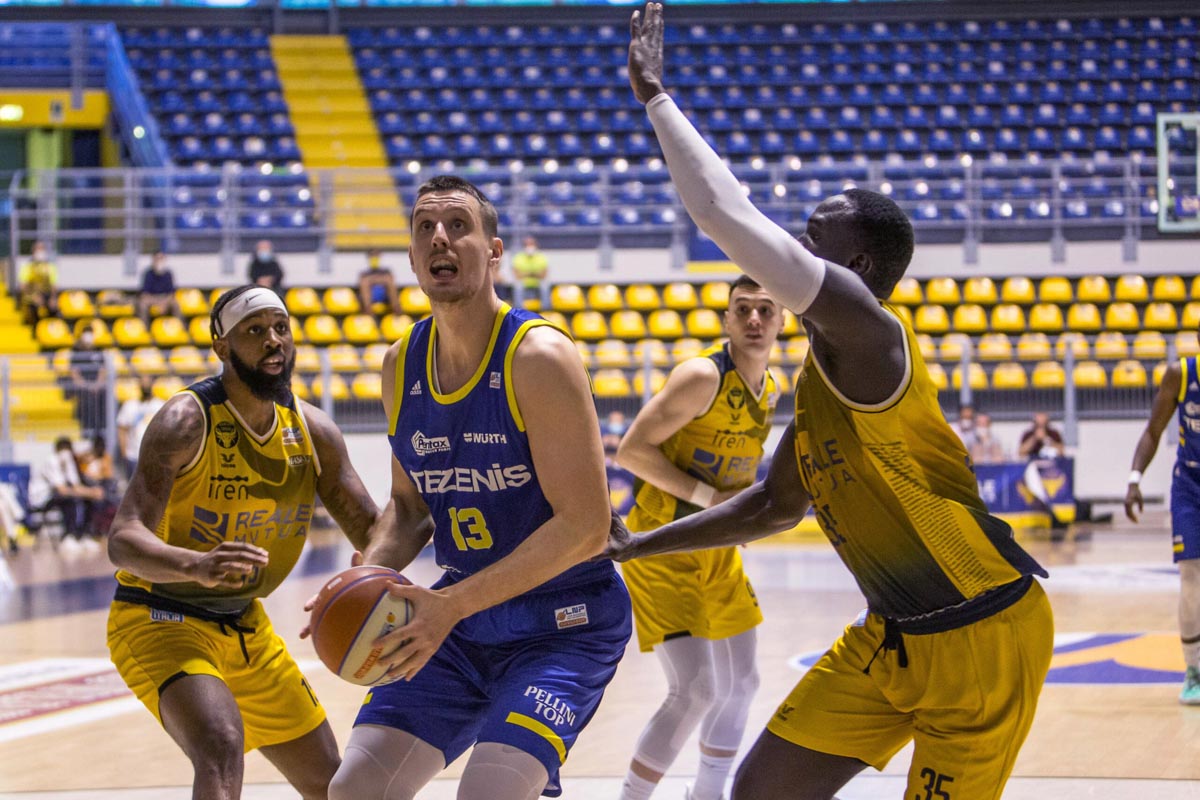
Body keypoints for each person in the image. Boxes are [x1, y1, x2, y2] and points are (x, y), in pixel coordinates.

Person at [612, 7, 1055, 800]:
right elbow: (771, 507)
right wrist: (635, 547)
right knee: (759, 790)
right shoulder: (818, 382)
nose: (794, 252)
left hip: (982, 632)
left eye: (812, 241)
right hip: (889, 636)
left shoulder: (874, 335)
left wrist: (657, 99)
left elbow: (724, 216)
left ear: (858, 268)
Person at [324, 175, 631, 800]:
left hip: (564, 621)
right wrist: (365, 579)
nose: (440, 237)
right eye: (425, 228)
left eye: (458, 225)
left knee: (488, 793)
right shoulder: (401, 363)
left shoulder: (538, 358)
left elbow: (586, 527)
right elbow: (409, 507)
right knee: (354, 789)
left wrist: (451, 607)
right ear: (414, 257)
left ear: (493, 252)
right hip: (460, 619)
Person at [106, 285, 382, 800]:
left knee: (332, 785)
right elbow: (123, 539)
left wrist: (379, 573)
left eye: (281, 328)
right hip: (159, 616)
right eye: (255, 331)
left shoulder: (313, 432)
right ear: (222, 346)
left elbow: (374, 532)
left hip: (247, 625)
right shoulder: (185, 421)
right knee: (220, 743)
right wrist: (194, 565)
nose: (273, 340)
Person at [616, 274, 782, 800]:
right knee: (695, 690)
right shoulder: (701, 377)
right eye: (743, 308)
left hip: (716, 547)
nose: (754, 318)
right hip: (662, 543)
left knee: (743, 683)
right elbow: (632, 451)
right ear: (726, 320)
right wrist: (715, 502)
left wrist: (741, 516)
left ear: (782, 321)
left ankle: (706, 795)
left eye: (766, 309)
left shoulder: (772, 389)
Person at [1124, 355, 1200, 704]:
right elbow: (1152, 432)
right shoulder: (1180, 374)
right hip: (1190, 485)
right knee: (1191, 573)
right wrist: (1134, 479)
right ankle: (1194, 669)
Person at [27, 436, 103, 549]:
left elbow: (77, 487)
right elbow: (61, 490)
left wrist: (92, 493)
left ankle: (84, 535)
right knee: (69, 500)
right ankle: (69, 535)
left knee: (89, 501)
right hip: (42, 498)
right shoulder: (51, 461)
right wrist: (89, 493)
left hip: (56, 496)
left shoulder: (69, 463)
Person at [1018, 412, 1069, 530]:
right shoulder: (1028, 434)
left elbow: (1062, 451)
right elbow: (1021, 452)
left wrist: (1047, 440)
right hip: (1032, 471)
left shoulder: (1054, 434)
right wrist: (1035, 438)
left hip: (1050, 472)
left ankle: (1055, 517)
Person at [116, 375, 166, 480]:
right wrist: (124, 454)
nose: (145, 386)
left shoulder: (160, 405)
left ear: (152, 384)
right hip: (133, 456)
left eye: (147, 383)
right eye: (143, 383)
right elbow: (122, 430)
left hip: (155, 457)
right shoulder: (130, 405)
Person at [66, 326, 109, 438]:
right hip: (83, 389)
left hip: (98, 388)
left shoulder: (99, 351)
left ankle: (103, 433)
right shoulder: (76, 352)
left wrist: (97, 385)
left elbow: (103, 371)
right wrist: (87, 386)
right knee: (87, 402)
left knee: (106, 398)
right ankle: (87, 433)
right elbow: (74, 374)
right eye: (86, 333)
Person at [18, 240, 59, 326]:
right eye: (38, 249)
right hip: (31, 296)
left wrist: (53, 298)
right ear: (33, 251)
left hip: (46, 295)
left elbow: (53, 285)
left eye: (42, 249)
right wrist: (34, 296)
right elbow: (23, 286)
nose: (40, 251)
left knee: (54, 309)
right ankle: (35, 328)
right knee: (34, 308)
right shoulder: (28, 267)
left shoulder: (50, 266)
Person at [136, 251, 182, 324]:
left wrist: (164, 303)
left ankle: (179, 326)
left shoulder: (168, 274)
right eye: (157, 258)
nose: (159, 261)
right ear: (153, 260)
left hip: (165, 298)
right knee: (142, 305)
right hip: (152, 298)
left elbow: (171, 293)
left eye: (161, 258)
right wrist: (157, 303)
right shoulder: (148, 274)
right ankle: (144, 327)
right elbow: (144, 294)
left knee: (176, 304)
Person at [356, 248, 402, 316]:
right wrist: (380, 279)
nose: (374, 258)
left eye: (376, 256)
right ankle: (369, 312)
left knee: (389, 281)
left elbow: (389, 279)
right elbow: (362, 282)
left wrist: (372, 280)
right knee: (365, 283)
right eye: (372, 256)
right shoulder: (364, 273)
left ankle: (397, 310)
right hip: (371, 297)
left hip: (385, 296)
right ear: (369, 258)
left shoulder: (386, 271)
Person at [510, 235, 549, 308]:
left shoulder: (541, 257)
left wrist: (526, 273)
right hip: (524, 282)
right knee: (518, 286)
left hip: (537, 282)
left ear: (536, 245)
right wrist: (534, 273)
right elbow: (517, 275)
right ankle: (519, 308)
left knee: (545, 285)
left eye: (531, 244)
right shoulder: (518, 257)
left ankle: (546, 309)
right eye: (527, 245)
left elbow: (544, 275)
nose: (529, 247)